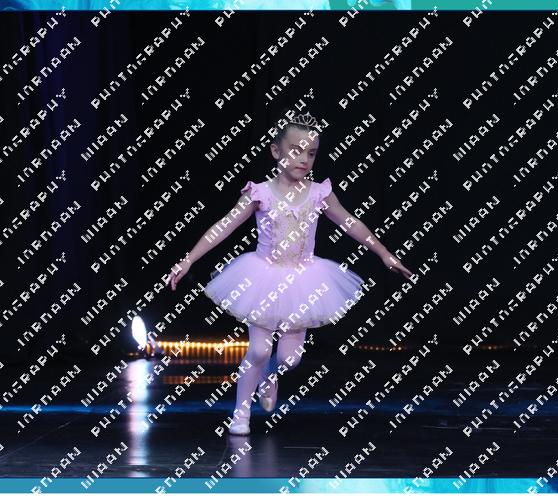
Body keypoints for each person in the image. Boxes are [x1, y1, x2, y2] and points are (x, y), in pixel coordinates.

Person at [164, 110, 413, 435]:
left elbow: (350, 222)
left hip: (303, 279)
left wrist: (383, 252)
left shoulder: (319, 193)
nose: (304, 160)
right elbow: (223, 227)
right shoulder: (260, 193)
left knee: (289, 360)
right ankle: (240, 413)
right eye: (296, 151)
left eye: (311, 153)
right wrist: (188, 259)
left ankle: (270, 376)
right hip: (262, 275)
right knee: (259, 349)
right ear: (275, 151)